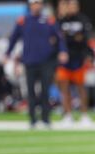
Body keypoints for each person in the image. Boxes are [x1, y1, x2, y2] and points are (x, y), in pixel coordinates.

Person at [6, 0, 68, 128]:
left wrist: (62, 51)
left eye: (39, 3)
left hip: (46, 61)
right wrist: (7, 53)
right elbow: (13, 38)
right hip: (29, 61)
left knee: (45, 91)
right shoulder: (23, 21)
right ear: (30, 5)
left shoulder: (48, 20)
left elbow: (59, 38)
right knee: (31, 92)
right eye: (35, 3)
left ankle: (46, 119)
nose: (37, 5)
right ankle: (33, 119)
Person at [55, 0, 93, 126]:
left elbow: (85, 38)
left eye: (74, 5)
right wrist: (74, 37)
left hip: (79, 59)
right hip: (65, 60)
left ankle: (84, 115)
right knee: (64, 88)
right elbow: (57, 37)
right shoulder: (61, 20)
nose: (72, 7)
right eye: (70, 5)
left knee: (81, 88)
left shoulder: (83, 19)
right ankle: (68, 115)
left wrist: (71, 37)